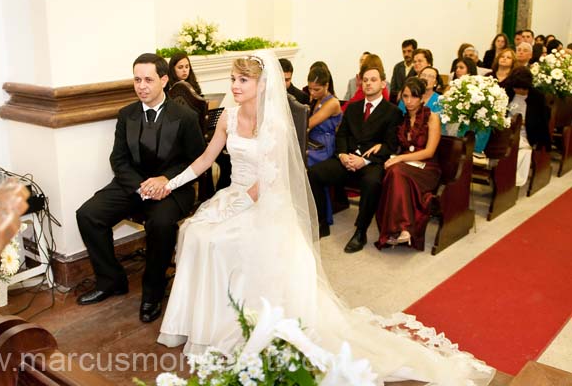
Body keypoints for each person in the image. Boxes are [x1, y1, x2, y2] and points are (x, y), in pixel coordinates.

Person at [156, 50, 495, 385]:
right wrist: (169, 184)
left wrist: (240, 206)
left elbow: (270, 177)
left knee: (219, 240)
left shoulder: (273, 123)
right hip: (235, 194)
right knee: (195, 233)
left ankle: (234, 322)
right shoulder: (228, 116)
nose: (235, 86)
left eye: (242, 80)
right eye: (233, 79)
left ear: (261, 85)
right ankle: (204, 323)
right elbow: (205, 159)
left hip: (262, 201)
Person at [75, 53, 206, 323]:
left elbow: (195, 160)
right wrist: (140, 187)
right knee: (88, 214)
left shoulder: (185, 117)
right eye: (137, 79)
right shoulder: (127, 115)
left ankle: (153, 292)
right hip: (133, 185)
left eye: (148, 79)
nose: (141, 86)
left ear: (164, 80)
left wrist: (165, 181)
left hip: (173, 187)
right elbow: (118, 159)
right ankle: (111, 280)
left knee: (160, 224)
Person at [309, 63, 403, 247]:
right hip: (347, 159)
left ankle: (361, 231)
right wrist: (343, 154)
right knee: (314, 173)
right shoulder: (353, 108)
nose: (368, 84)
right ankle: (322, 222)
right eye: (365, 80)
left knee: (372, 182)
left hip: (371, 163)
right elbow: (341, 134)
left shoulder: (393, 112)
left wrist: (365, 160)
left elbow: (391, 145)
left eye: (373, 80)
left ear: (383, 83)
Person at [374, 77, 442, 251]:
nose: (409, 101)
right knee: (393, 172)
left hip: (427, 168)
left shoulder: (432, 118)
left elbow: (429, 152)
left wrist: (399, 158)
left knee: (395, 170)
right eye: (405, 96)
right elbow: (391, 142)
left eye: (414, 96)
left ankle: (398, 229)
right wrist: (381, 147)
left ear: (421, 98)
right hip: (405, 168)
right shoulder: (401, 119)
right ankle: (401, 230)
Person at [505, 67, 552, 187]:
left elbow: (542, 122)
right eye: (515, 88)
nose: (517, 91)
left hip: (526, 133)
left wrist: (525, 123)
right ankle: (505, 176)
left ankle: (514, 181)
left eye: (520, 88)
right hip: (506, 131)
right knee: (511, 145)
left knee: (522, 149)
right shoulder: (508, 92)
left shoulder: (537, 97)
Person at [307, 66, 342, 167]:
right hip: (312, 141)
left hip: (323, 146)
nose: (312, 92)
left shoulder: (332, 103)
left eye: (316, 89)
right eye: (310, 89)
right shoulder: (316, 99)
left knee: (298, 156)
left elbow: (309, 124)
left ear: (326, 85)